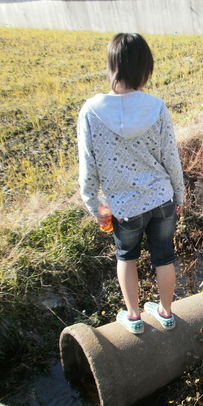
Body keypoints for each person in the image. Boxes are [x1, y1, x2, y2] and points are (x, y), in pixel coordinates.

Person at [77, 33, 184, 333]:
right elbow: (171, 158)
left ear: (113, 66)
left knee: (127, 258)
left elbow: (88, 165)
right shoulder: (156, 106)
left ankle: (134, 317)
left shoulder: (91, 111)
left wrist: (92, 203)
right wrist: (180, 194)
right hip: (161, 199)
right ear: (143, 68)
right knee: (164, 256)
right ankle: (165, 313)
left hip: (125, 207)